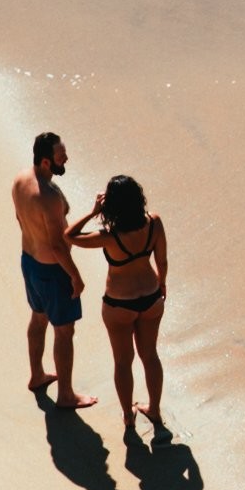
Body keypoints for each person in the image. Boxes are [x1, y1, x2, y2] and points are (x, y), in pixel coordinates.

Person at [82, 173, 171, 444]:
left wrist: (92, 212)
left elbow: (69, 236)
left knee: (123, 361)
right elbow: (163, 261)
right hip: (150, 296)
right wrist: (162, 284)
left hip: (119, 303)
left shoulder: (108, 237)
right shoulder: (154, 223)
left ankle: (128, 416)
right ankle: (154, 410)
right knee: (150, 355)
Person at [12, 131, 87, 409]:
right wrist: (76, 277)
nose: (65, 158)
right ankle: (66, 395)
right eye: (60, 156)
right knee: (64, 331)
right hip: (53, 271)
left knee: (38, 317)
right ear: (46, 162)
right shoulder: (49, 197)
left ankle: (37, 375)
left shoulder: (20, 180)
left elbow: (20, 219)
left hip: (29, 261)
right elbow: (57, 245)